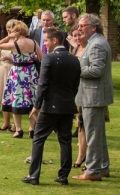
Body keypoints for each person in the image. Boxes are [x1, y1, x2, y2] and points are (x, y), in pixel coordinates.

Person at [24, 27, 80, 185]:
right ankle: (63, 176)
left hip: (50, 106)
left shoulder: (48, 58)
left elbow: (43, 84)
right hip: (67, 106)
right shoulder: (74, 59)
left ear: (55, 40)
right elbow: (75, 85)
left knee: (38, 138)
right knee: (65, 140)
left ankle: (34, 175)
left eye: (46, 41)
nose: (45, 44)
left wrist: (37, 106)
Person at [74, 13, 113, 181]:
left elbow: (97, 70)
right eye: (79, 25)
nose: (79, 28)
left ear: (93, 27)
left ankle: (92, 171)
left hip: (93, 96)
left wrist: (75, 70)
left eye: (83, 26)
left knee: (93, 134)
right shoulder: (94, 42)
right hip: (92, 95)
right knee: (97, 133)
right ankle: (102, 167)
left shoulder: (97, 44)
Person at [0, 20, 40, 138]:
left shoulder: (15, 44)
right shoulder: (34, 42)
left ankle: (18, 129)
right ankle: (32, 129)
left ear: (17, 32)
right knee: (32, 100)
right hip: (31, 72)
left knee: (16, 99)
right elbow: (41, 57)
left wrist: (8, 37)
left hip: (18, 73)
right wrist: (30, 58)